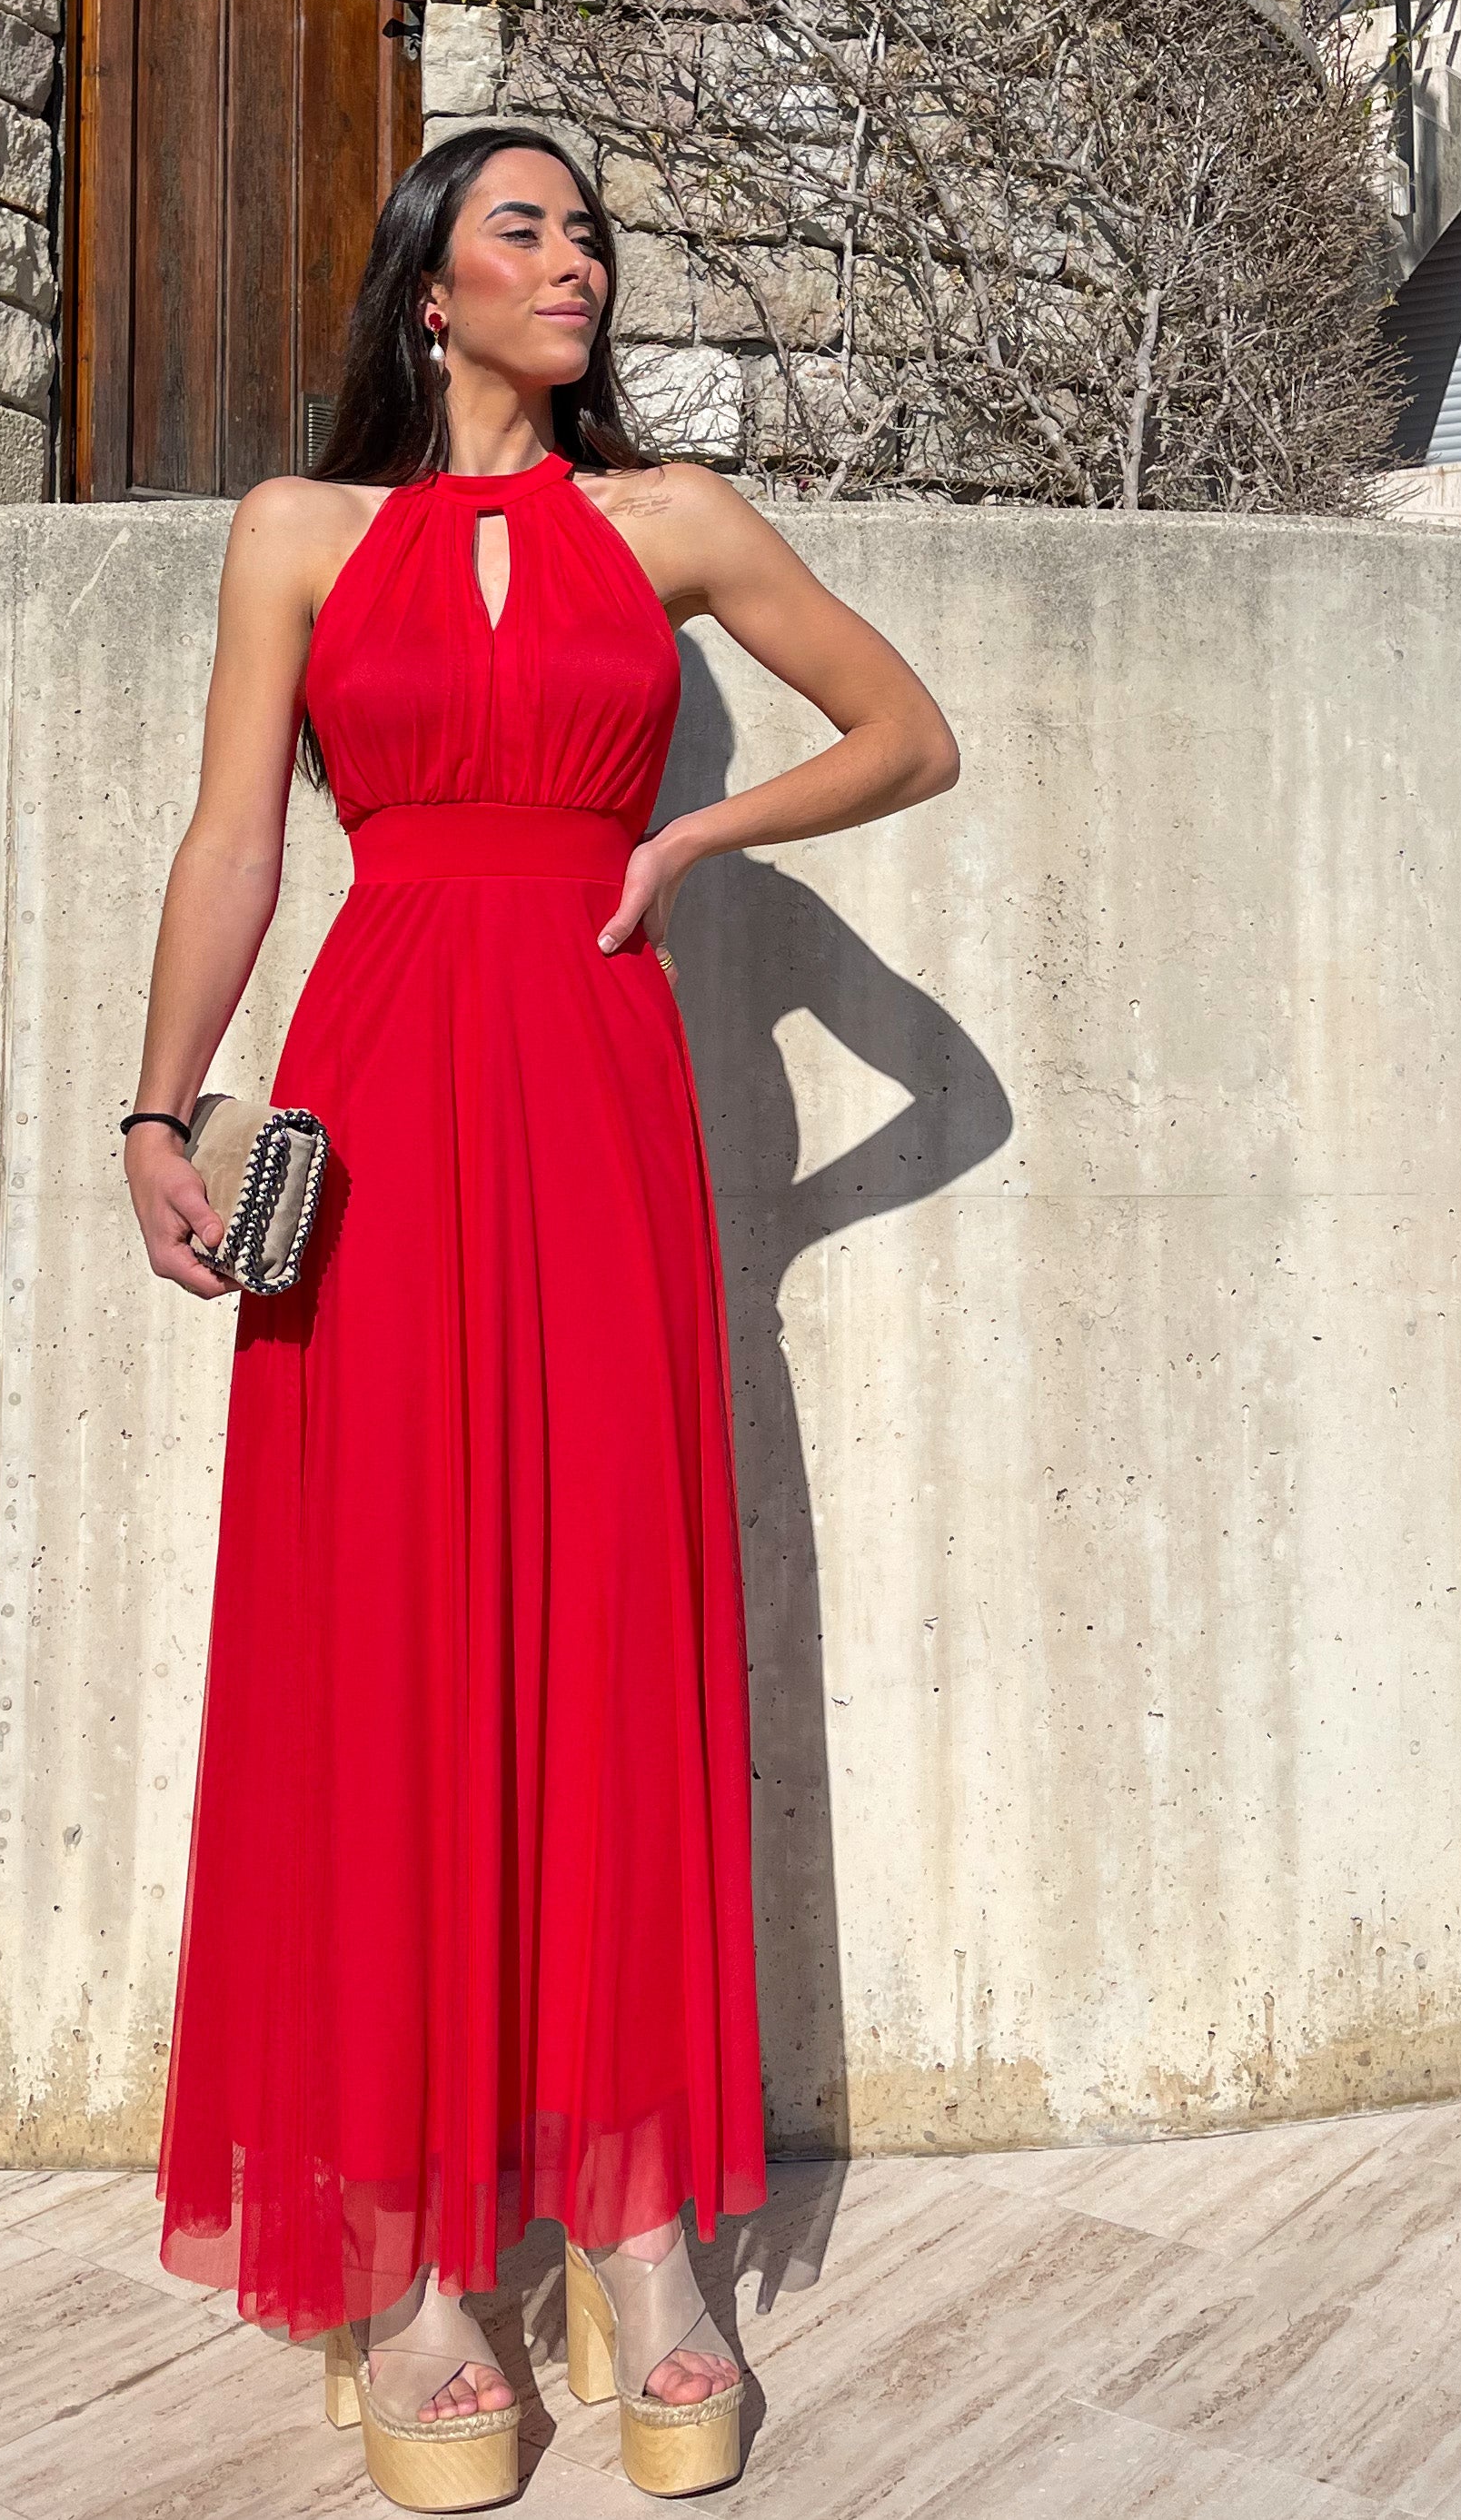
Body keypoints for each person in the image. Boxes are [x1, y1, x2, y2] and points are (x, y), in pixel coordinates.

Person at [124, 127, 959, 2508]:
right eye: (527, 226)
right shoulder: (296, 532)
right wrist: (157, 1105)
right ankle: (405, 2261)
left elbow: (907, 731)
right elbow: (237, 836)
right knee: (384, 1636)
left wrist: (696, 834)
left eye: (591, 231)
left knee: (607, 1627)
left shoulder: (669, 521)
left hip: (597, 1102)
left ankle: (634, 2229)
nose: (574, 257)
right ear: (429, 289)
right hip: (379, 1097)